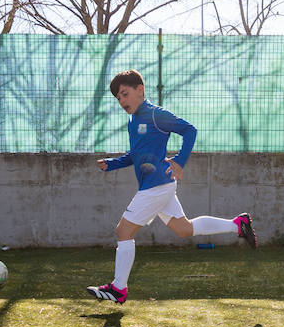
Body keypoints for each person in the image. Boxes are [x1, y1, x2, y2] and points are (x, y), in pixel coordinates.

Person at [86, 69, 255, 304]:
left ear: (140, 90)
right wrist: (112, 164)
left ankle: (118, 289)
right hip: (158, 186)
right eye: (118, 98)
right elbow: (135, 154)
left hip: (156, 186)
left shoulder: (155, 115)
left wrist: (179, 160)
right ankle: (237, 225)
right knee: (184, 229)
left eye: (125, 94)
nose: (122, 101)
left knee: (123, 232)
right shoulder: (133, 120)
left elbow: (190, 130)